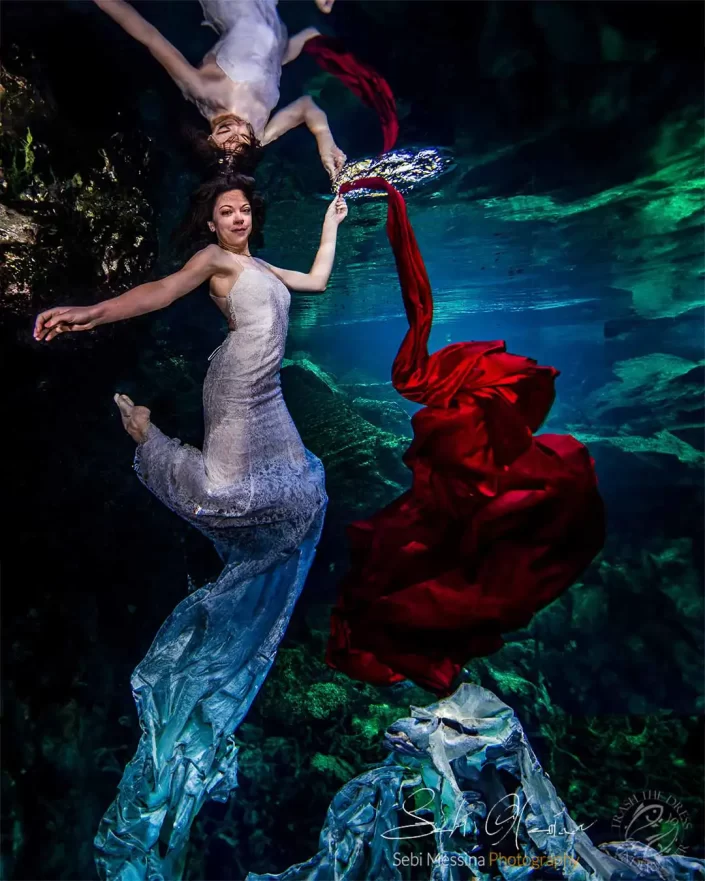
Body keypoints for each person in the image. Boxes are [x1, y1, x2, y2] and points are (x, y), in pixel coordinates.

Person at [33, 174, 348, 876]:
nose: (235, 218)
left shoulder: (266, 268)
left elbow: (319, 281)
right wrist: (90, 314)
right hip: (233, 387)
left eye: (242, 211)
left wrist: (331, 220)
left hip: (268, 395)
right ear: (211, 222)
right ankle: (147, 436)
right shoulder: (214, 261)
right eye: (224, 212)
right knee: (222, 495)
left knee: (300, 500)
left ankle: (232, 563)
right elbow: (158, 292)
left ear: (252, 217)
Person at [92, 0, 347, 177]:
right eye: (242, 139)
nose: (236, 129)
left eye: (225, 139)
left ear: (209, 141)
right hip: (276, 35)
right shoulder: (257, 136)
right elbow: (306, 107)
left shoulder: (201, 89)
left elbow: (149, 37)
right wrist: (325, 139)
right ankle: (311, 32)